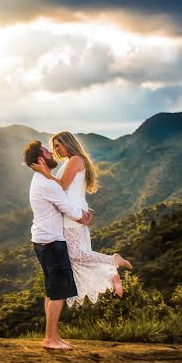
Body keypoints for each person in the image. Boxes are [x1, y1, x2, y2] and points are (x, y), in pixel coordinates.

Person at [31, 131, 133, 308]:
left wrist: (45, 173)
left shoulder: (75, 160)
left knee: (76, 255)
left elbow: (62, 186)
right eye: (54, 147)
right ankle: (111, 274)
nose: (56, 150)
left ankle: (113, 261)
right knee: (75, 258)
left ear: (68, 143)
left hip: (73, 216)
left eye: (58, 145)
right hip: (75, 211)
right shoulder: (74, 161)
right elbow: (74, 191)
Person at [23, 140, 94, 351]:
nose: (51, 153)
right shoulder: (47, 183)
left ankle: (52, 336)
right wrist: (86, 217)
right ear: (40, 159)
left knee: (52, 291)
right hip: (51, 242)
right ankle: (50, 339)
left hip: (44, 240)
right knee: (59, 292)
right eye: (47, 151)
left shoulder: (41, 179)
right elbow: (68, 209)